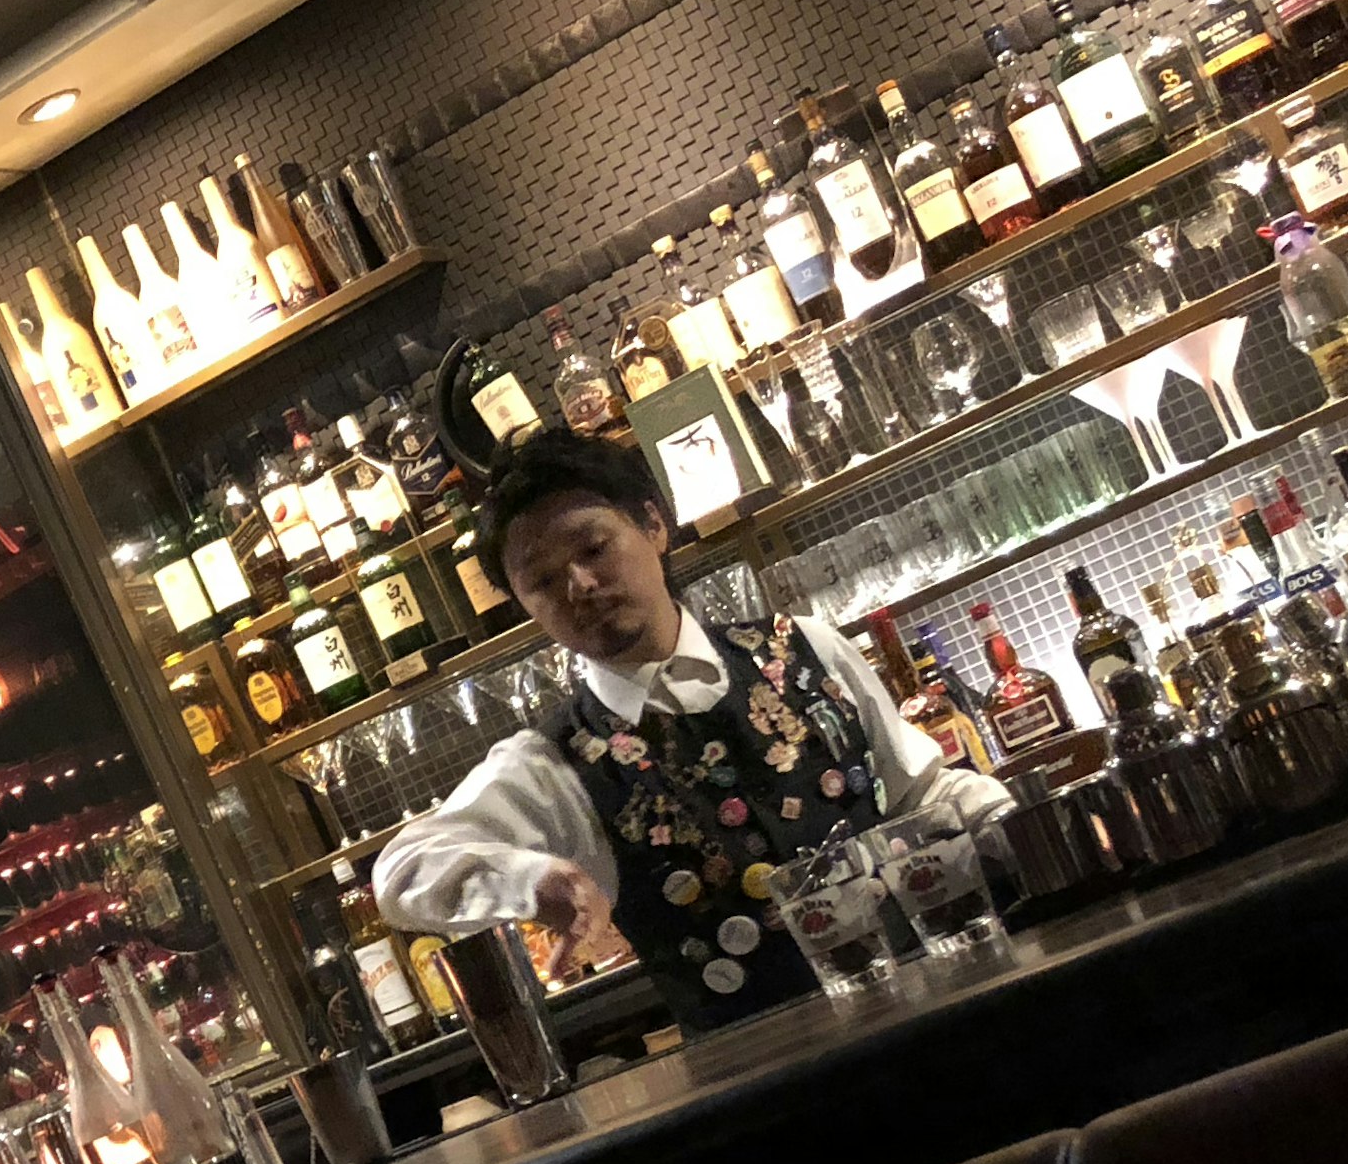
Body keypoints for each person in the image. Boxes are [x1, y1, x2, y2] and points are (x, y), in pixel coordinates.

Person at [373, 432, 1013, 1033]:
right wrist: (533, 881)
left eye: (593, 548)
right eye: (542, 582)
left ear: (654, 525)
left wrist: (1022, 817)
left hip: (940, 1012)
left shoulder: (805, 649)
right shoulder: (553, 764)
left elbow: (919, 797)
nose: (580, 585)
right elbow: (400, 871)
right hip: (769, 1088)